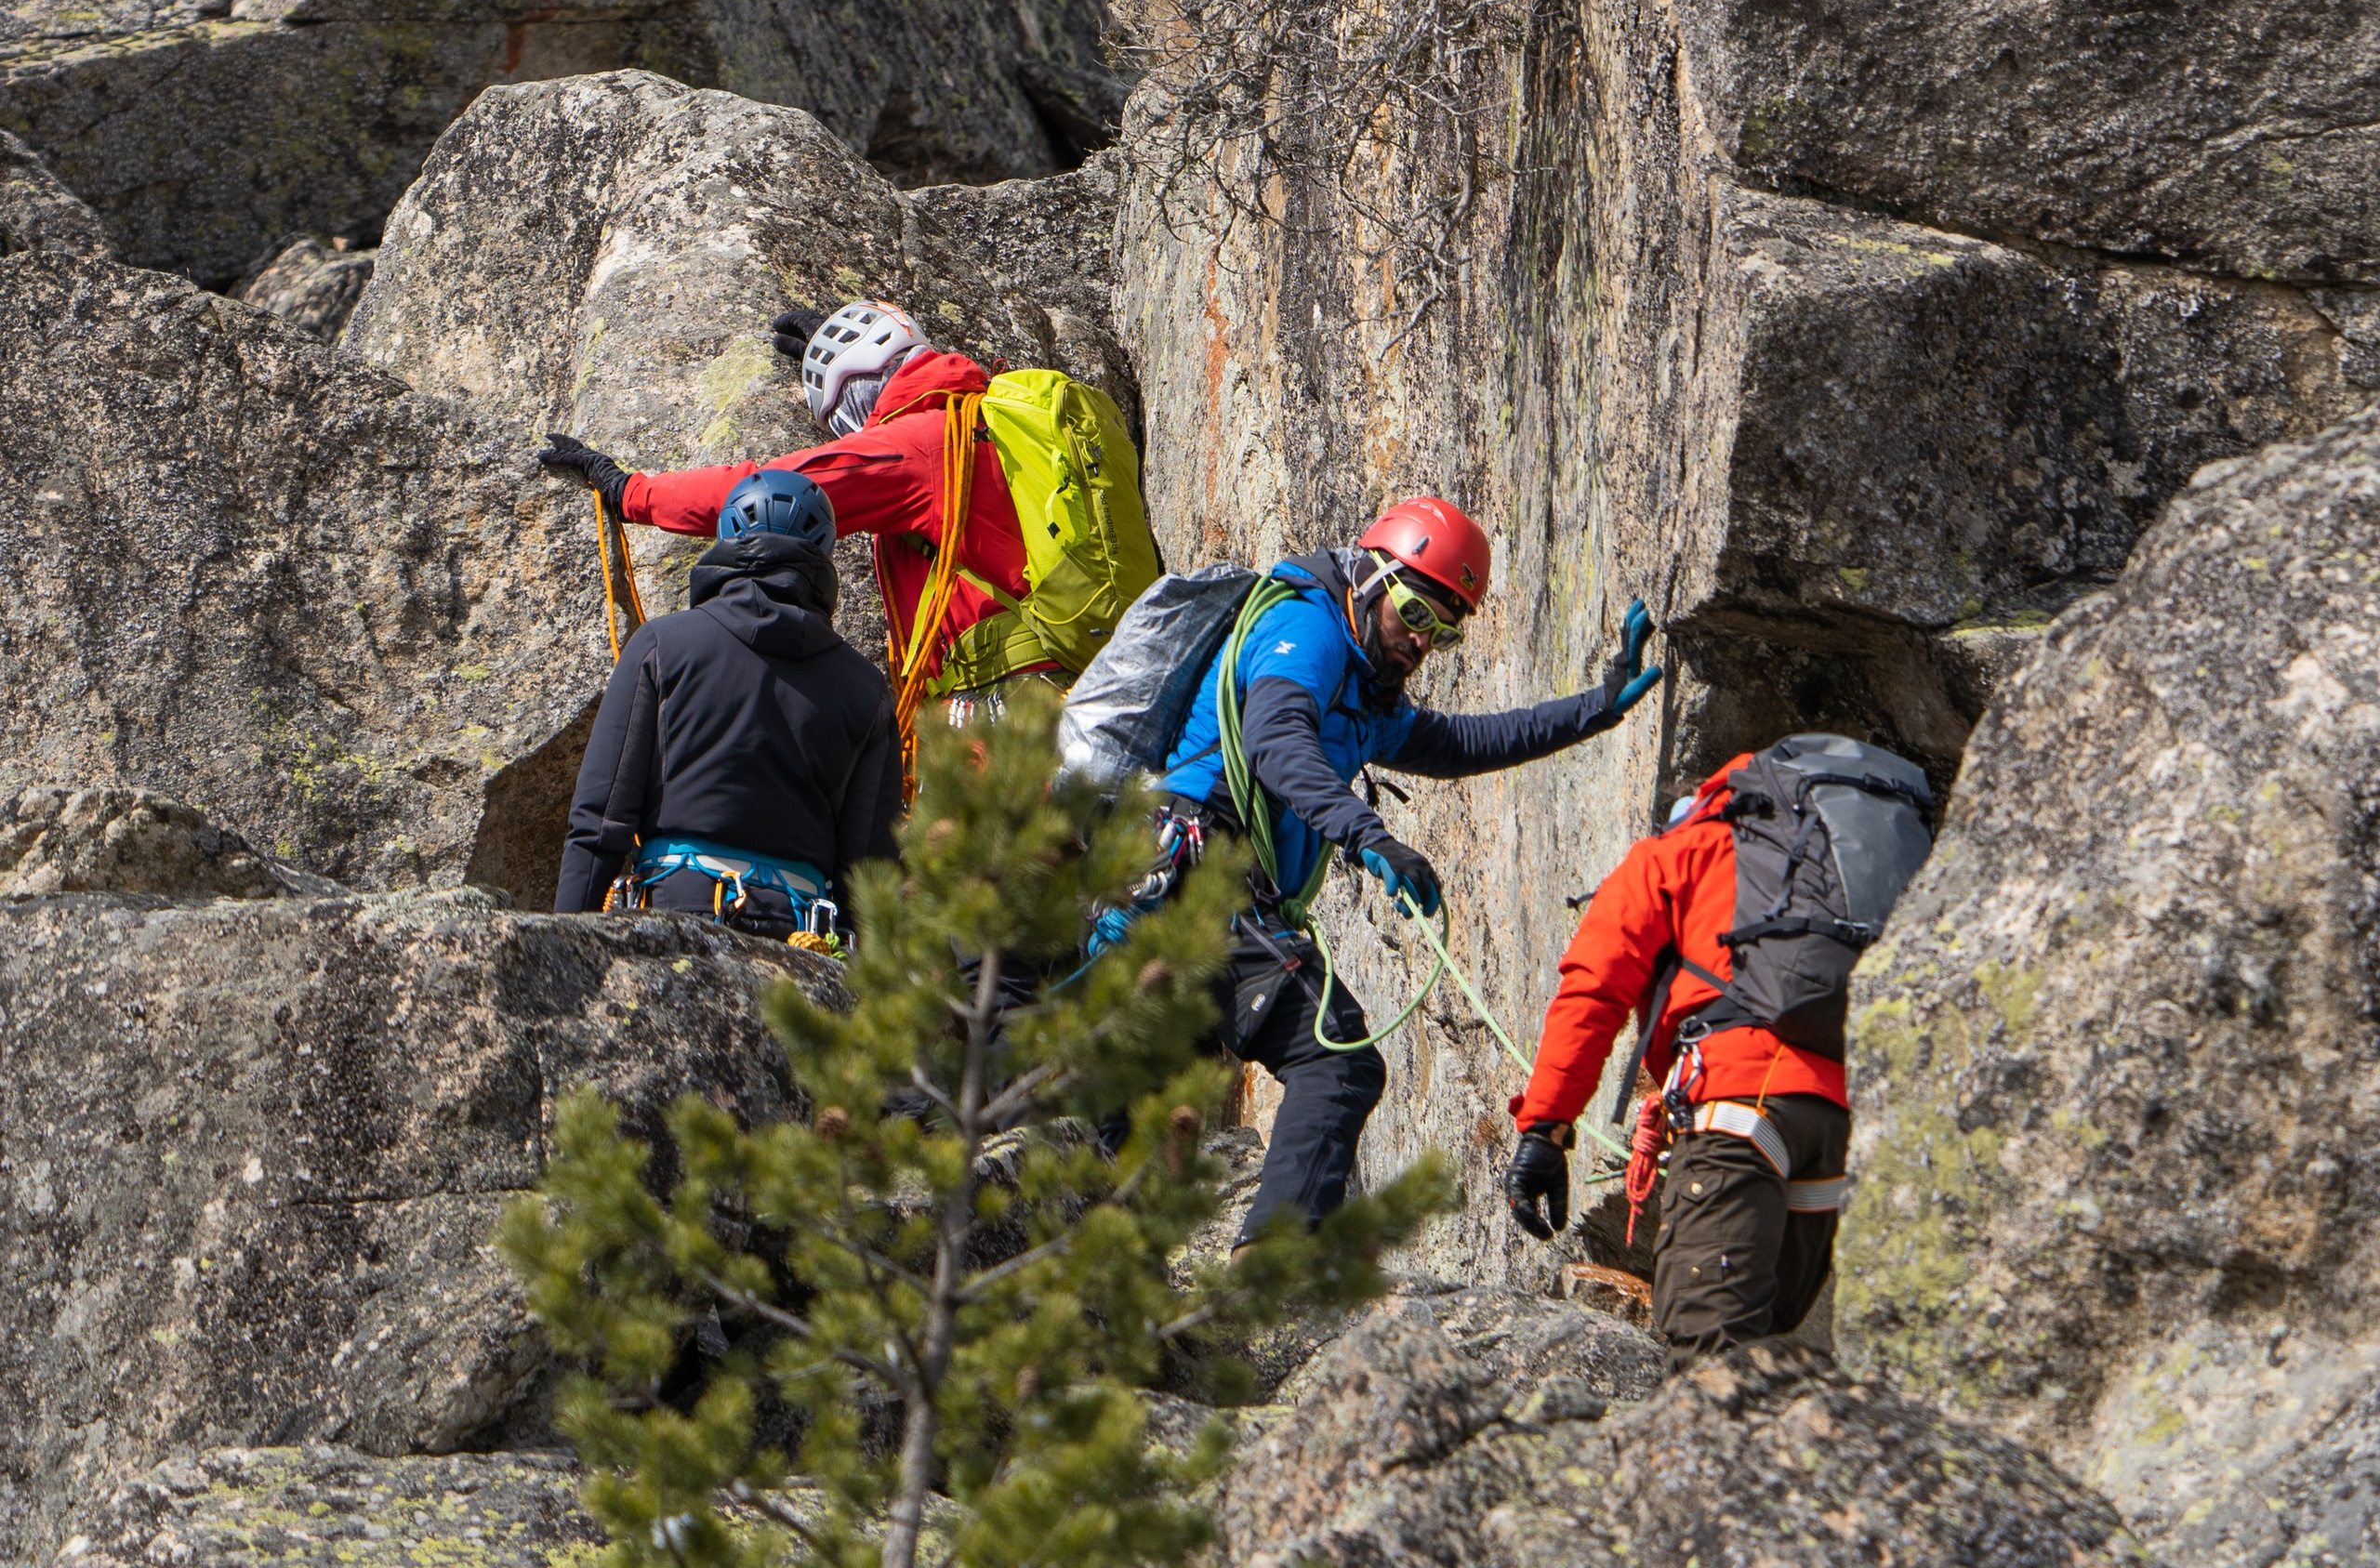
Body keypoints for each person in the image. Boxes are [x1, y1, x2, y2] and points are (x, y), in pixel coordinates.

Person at [1152, 500, 1659, 1242]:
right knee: (1336, 1060)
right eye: (1415, 613)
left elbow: (1458, 743)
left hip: (1201, 886)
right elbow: (1275, 739)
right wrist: (1369, 836)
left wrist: (1598, 708)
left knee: (1164, 1103)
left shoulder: (1364, 691)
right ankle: (1272, 1266)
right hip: (1198, 868)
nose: (1421, 641)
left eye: (1443, 632)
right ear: (1369, 577)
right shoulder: (1308, 629)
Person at [538, 298, 1157, 757]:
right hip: (1074, 688)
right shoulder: (987, 423)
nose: (850, 432)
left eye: (843, 414)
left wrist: (632, 493)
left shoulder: (923, 445)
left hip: (1001, 710)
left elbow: (769, 490)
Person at [1503, 736, 1932, 1348]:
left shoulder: (1675, 851)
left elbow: (1593, 990)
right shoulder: (1833, 864)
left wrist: (1545, 1127)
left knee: (1706, 1352)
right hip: (1839, 1129)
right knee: (1768, 1358)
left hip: (1738, 1104)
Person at [554, 463, 899, 938]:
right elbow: (870, 874)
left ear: (726, 536)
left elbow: (599, 822)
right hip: (800, 936)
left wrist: (563, 942)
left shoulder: (662, 645)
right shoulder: (866, 689)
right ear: (823, 553)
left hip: (674, 917)